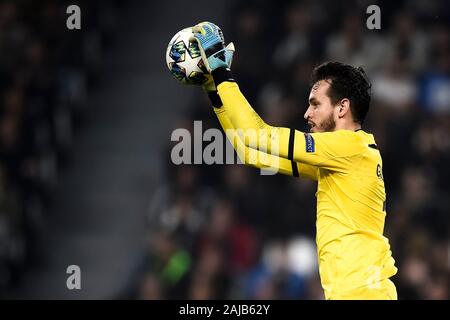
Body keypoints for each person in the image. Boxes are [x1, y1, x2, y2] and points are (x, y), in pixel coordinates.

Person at [189, 22, 398, 300]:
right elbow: (254, 154)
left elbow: (258, 136)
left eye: (315, 103)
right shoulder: (342, 158)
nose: (306, 113)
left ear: (342, 107)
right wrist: (214, 90)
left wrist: (221, 73)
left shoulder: (348, 147)